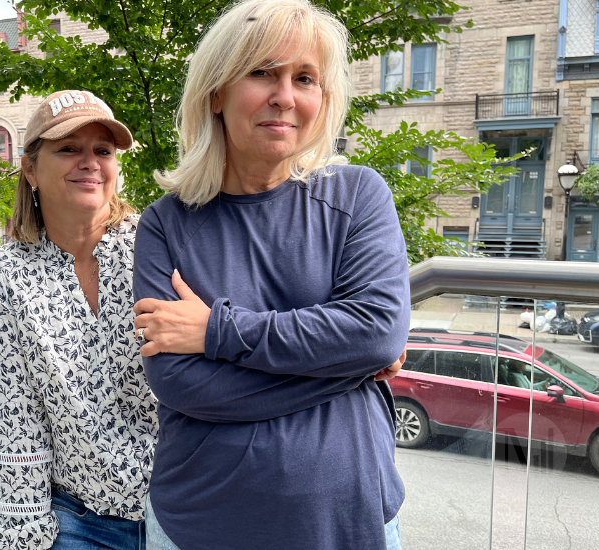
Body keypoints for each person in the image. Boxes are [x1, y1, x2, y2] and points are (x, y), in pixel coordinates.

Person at [132, 1, 410, 549]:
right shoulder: (166, 224)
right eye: (262, 72)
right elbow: (179, 382)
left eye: (304, 78)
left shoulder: (358, 195)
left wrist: (218, 332)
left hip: (348, 523)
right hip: (198, 526)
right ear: (217, 91)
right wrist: (346, 366)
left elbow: (375, 332)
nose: (284, 96)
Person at [0, 90, 158, 550]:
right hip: (80, 523)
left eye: (102, 151)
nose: (89, 162)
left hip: (187, 511)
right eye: (68, 149)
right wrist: (23, 538)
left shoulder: (158, 243)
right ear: (31, 170)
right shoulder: (4, 274)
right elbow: (14, 419)